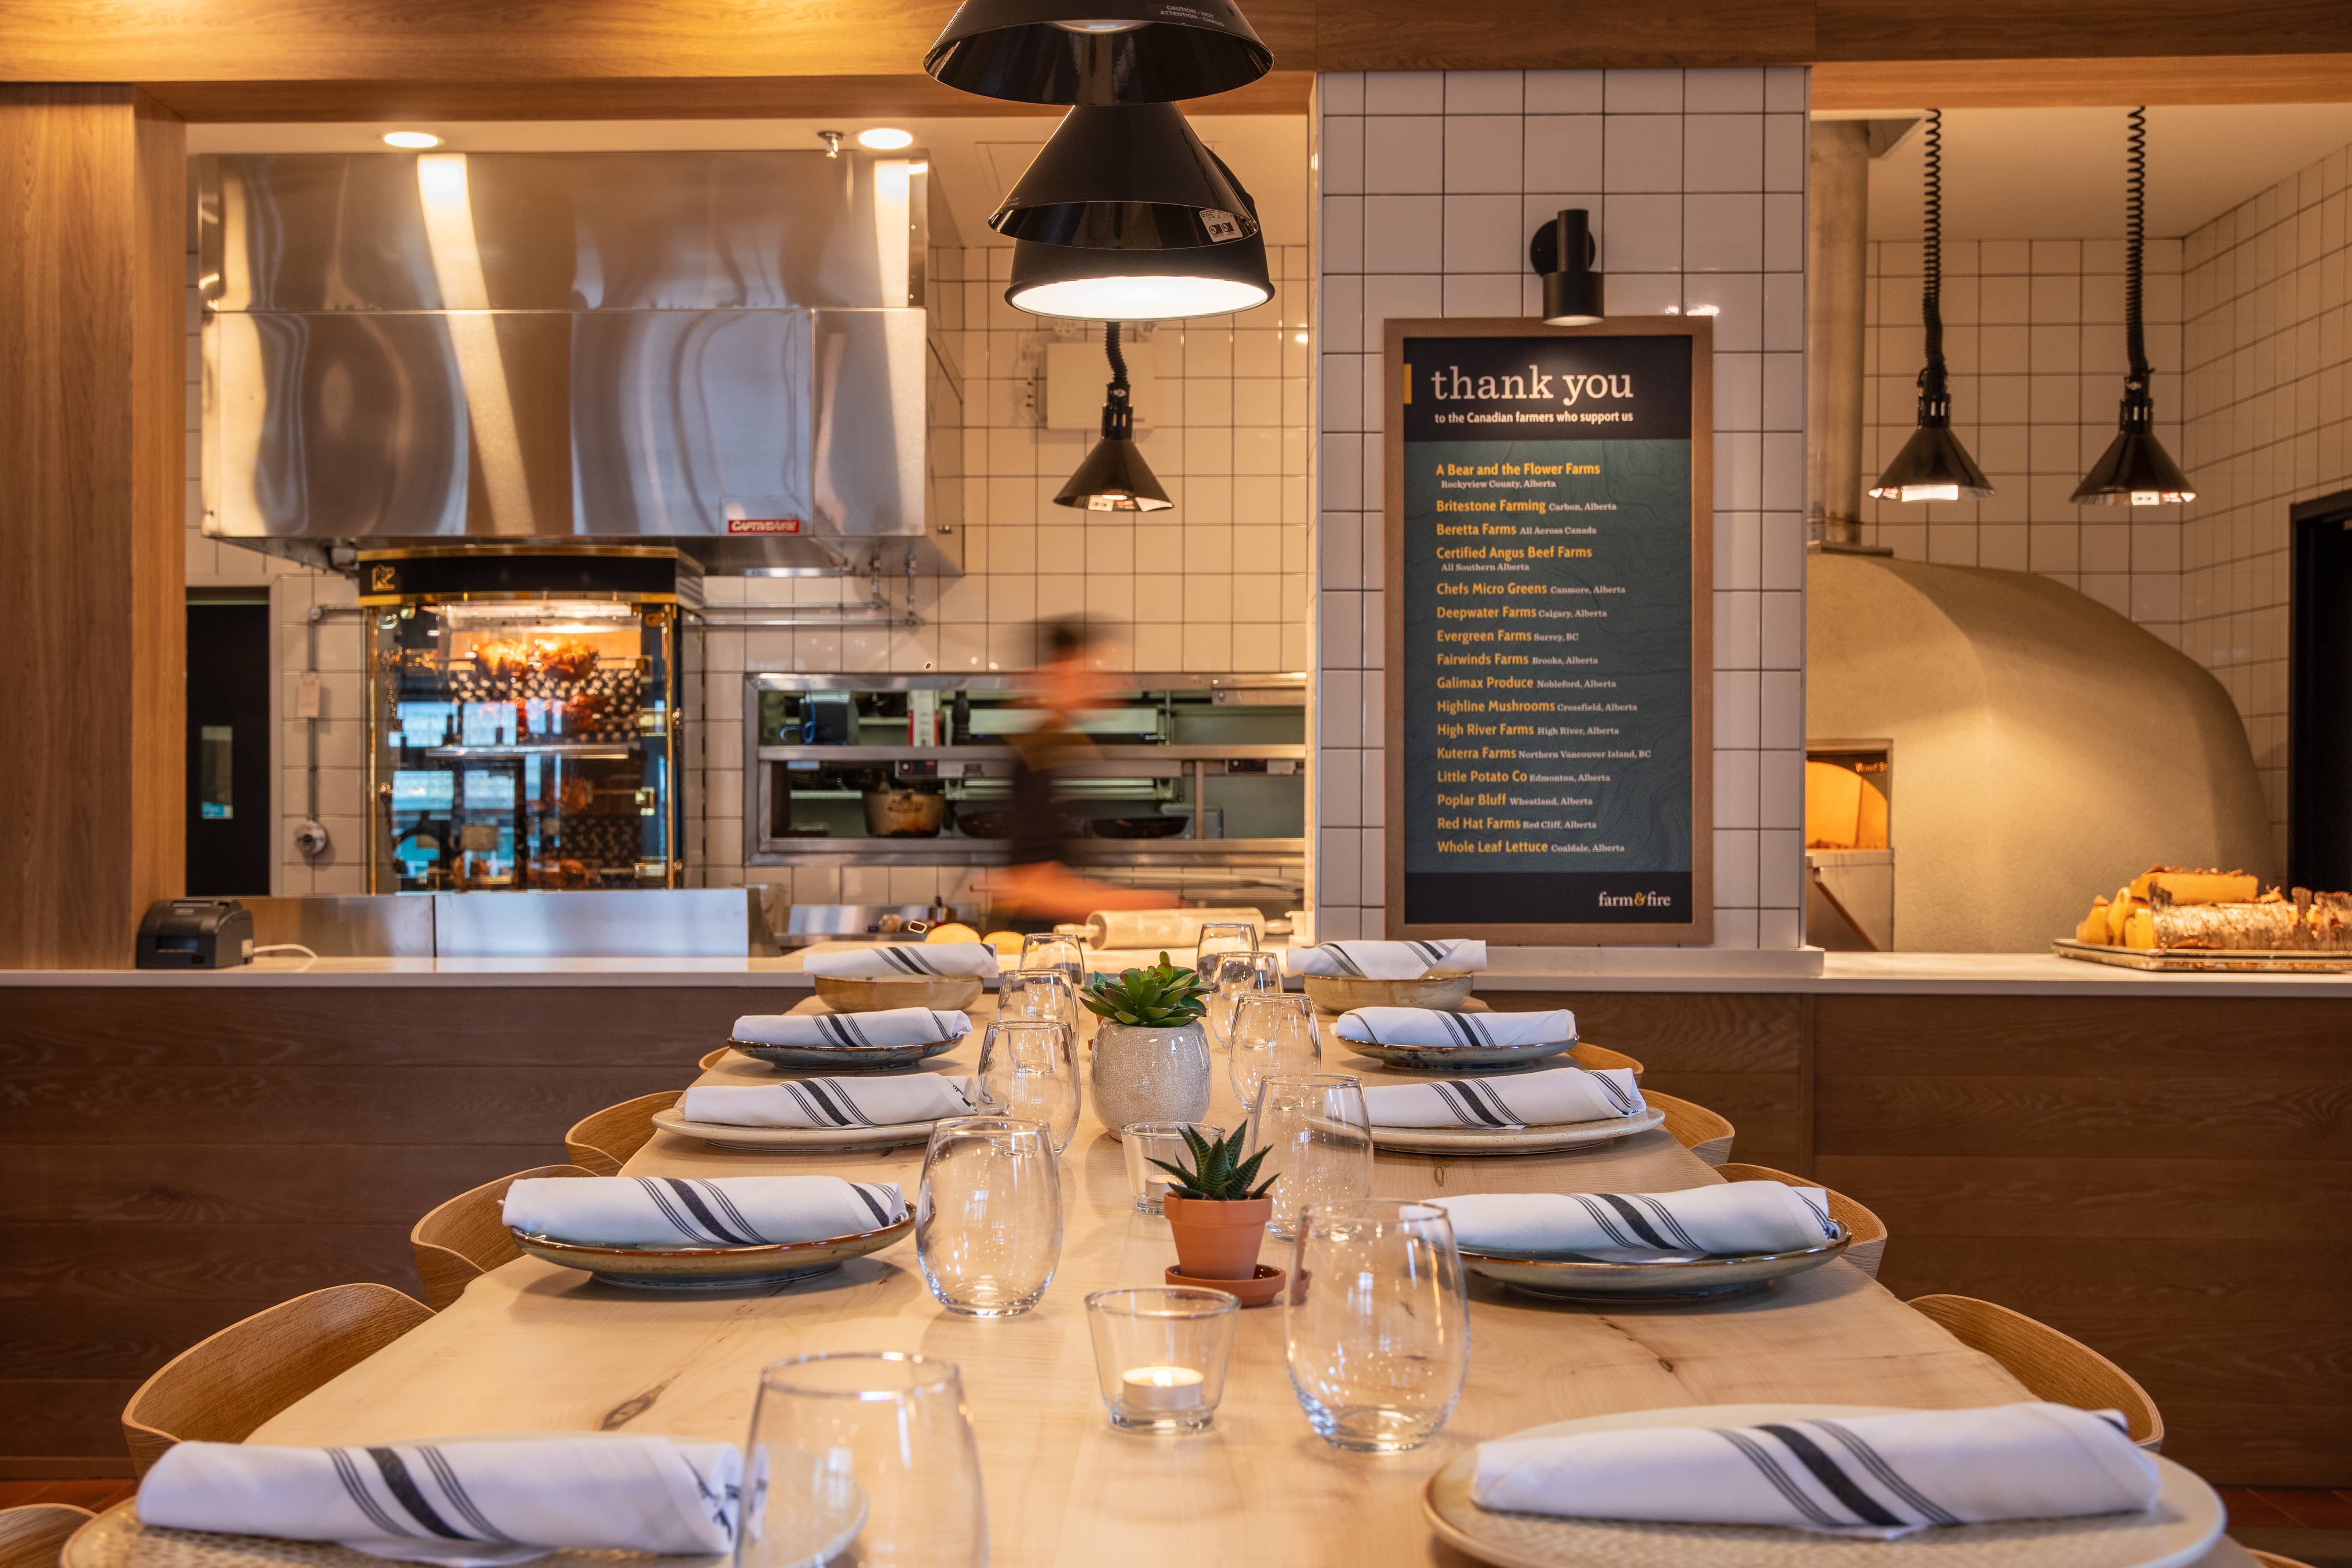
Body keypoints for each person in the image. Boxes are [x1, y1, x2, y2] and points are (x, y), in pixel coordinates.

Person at [990, 619, 1177, 921]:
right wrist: (1148, 905)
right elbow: (1030, 885)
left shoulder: (1056, 747)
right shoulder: (1033, 755)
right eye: (1088, 671)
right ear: (1058, 674)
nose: (1105, 681)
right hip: (1033, 948)